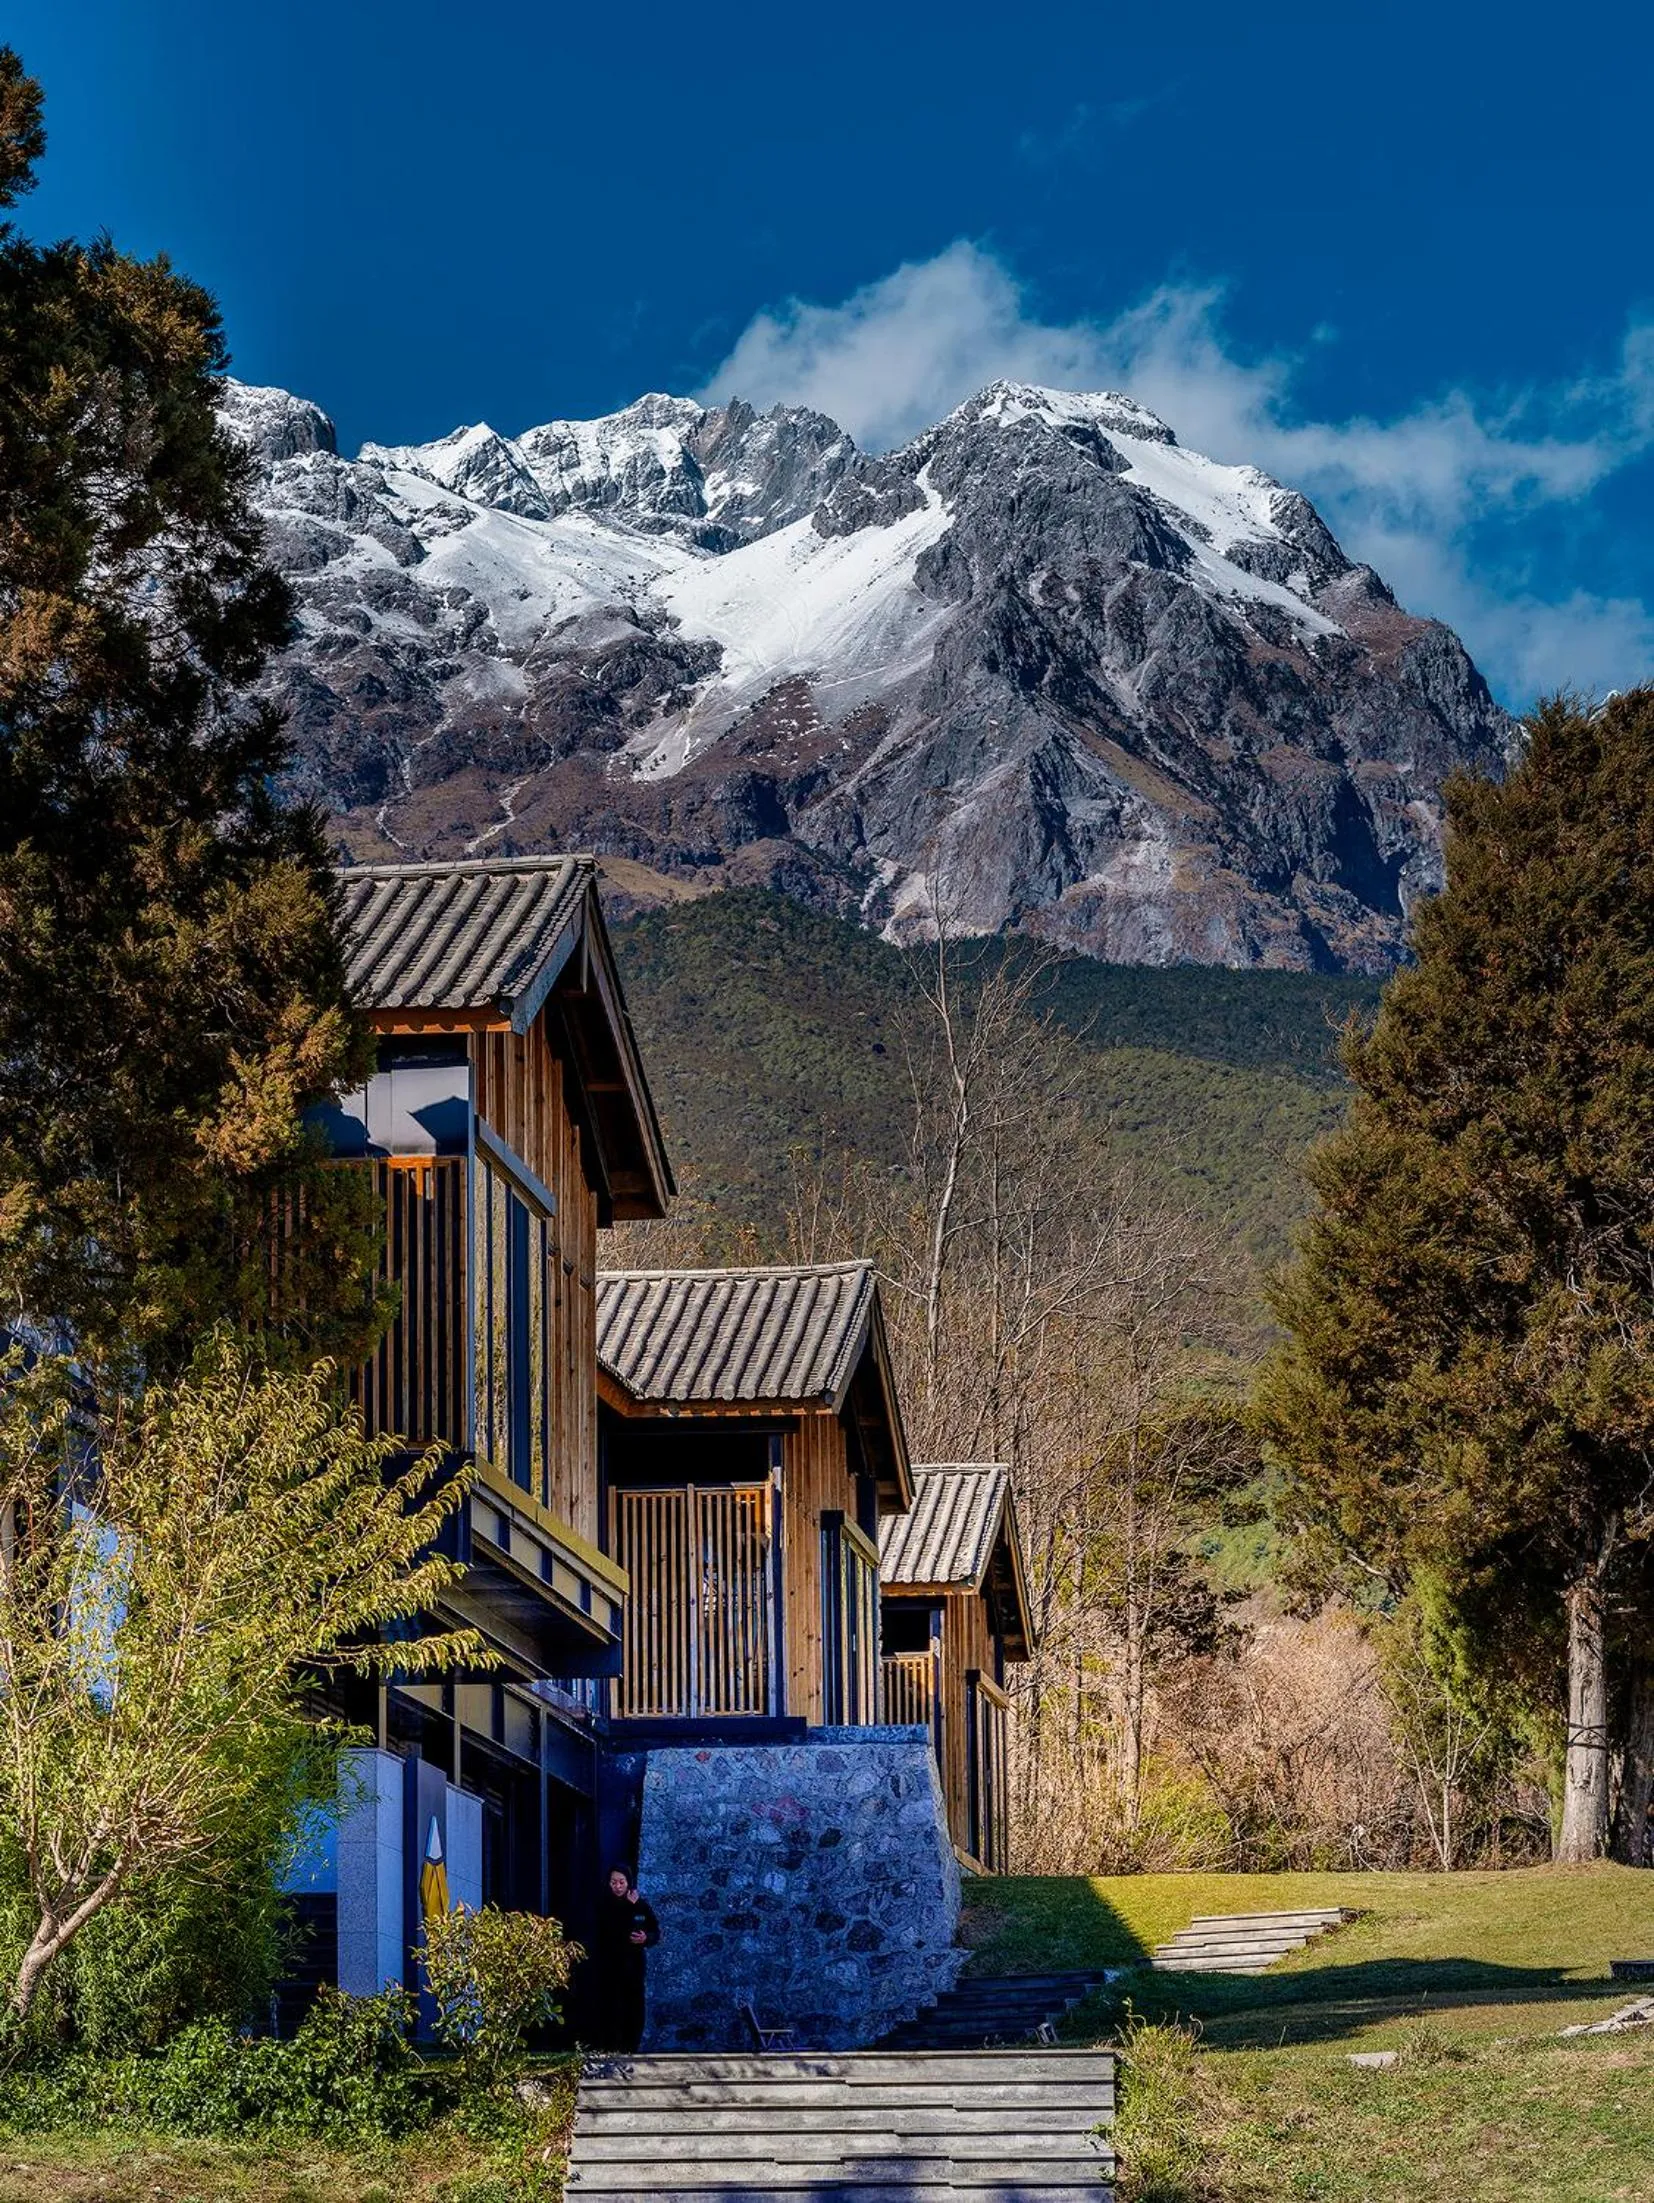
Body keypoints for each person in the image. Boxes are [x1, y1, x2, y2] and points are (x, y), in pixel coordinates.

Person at [594, 1863, 660, 2052]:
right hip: (609, 1965)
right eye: (614, 1882)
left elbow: (655, 1931)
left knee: (634, 2008)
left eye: (621, 1882)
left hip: (633, 1966)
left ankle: (631, 2049)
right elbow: (610, 1928)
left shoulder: (640, 1904)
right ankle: (609, 2048)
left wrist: (646, 1938)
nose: (618, 1886)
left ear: (628, 1883)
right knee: (610, 2008)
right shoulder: (603, 1903)